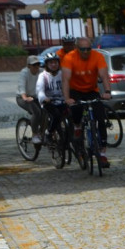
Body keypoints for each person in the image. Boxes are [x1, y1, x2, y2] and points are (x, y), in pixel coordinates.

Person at [61, 37, 112, 168]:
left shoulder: (97, 56)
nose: (86, 52)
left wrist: (107, 91)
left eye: (88, 49)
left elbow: (104, 75)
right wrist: (67, 98)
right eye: (82, 49)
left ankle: (102, 153)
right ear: (77, 49)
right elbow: (66, 80)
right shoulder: (70, 57)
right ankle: (77, 126)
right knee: (76, 111)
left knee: (101, 118)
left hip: (91, 90)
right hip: (75, 91)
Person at [36, 53, 68, 143]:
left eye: (55, 62)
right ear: (46, 64)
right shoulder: (43, 76)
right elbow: (40, 90)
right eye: (51, 63)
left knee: (72, 114)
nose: (54, 65)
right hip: (49, 102)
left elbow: (70, 85)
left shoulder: (62, 74)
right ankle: (48, 132)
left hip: (62, 100)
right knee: (56, 115)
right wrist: (44, 98)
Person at [16, 55, 43, 144]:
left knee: (47, 111)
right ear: (28, 66)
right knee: (37, 112)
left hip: (35, 97)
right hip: (22, 97)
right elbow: (21, 86)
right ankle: (34, 135)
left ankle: (44, 132)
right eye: (34, 65)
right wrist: (25, 97)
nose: (36, 67)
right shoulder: (24, 73)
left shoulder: (41, 71)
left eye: (38, 64)